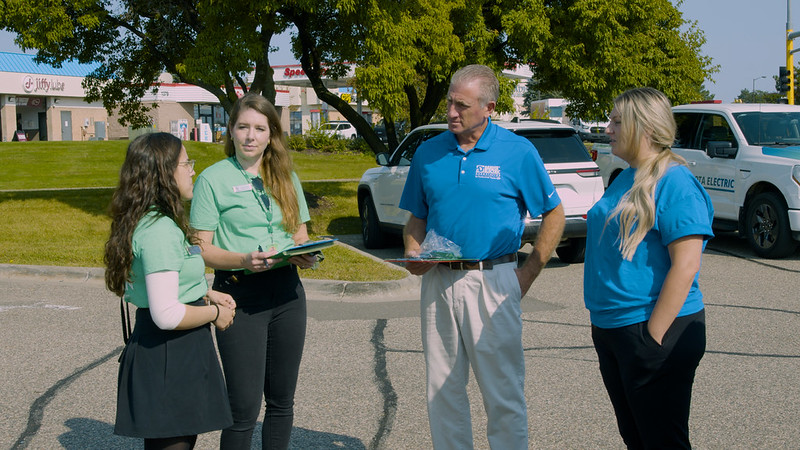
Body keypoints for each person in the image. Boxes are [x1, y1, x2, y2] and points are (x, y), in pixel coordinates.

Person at [399, 64, 566, 449]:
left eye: (462, 105)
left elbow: (554, 214)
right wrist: (412, 250)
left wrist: (528, 273)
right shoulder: (429, 152)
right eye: (449, 103)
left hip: (493, 281)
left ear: (489, 107)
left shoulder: (517, 152)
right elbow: (416, 220)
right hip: (438, 283)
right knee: (442, 392)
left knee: (502, 393)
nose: (452, 113)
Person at [584, 87, 714, 449]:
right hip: (614, 329)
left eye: (616, 121)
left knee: (662, 442)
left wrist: (652, 338)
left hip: (652, 329)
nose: (607, 128)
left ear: (642, 127)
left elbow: (686, 265)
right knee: (637, 438)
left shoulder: (675, 181)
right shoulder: (627, 177)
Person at [189, 93, 319, 449]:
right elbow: (201, 249)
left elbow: (300, 233)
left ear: (270, 134)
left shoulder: (285, 175)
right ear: (230, 131)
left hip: (287, 293)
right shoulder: (212, 180)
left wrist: (304, 254)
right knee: (243, 408)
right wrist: (244, 260)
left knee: (281, 402)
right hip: (239, 295)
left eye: (259, 128)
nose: (250, 136)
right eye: (243, 127)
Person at [104, 132, 236, 450]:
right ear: (164, 172)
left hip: (173, 349)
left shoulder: (160, 220)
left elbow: (172, 280)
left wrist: (204, 294)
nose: (192, 169)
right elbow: (167, 313)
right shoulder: (159, 230)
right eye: (185, 163)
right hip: (168, 352)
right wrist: (216, 313)